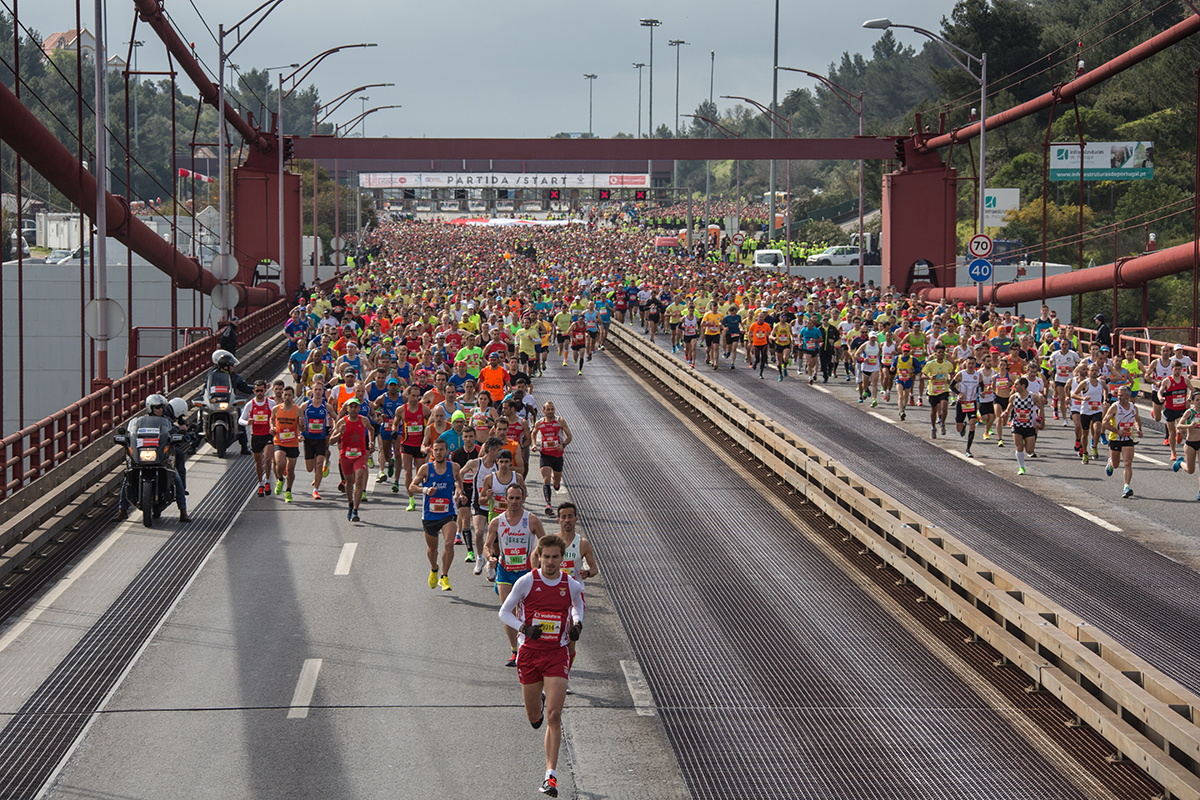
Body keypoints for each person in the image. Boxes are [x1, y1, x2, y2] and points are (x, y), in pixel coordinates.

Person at [498, 533, 584, 799]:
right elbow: (503, 612)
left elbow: (577, 609)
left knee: (554, 716)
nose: (549, 562)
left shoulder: (570, 585)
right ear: (538, 557)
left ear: (561, 559)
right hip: (529, 655)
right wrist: (524, 628)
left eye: (555, 557)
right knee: (535, 718)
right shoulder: (527, 581)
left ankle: (550, 777)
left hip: (556, 654)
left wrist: (577, 624)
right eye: (545, 557)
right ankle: (539, 706)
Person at [487, 483, 546, 666]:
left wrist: (536, 555)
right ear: (505, 499)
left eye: (517, 498)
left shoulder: (532, 520)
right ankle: (515, 650)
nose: (514, 502)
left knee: (527, 612)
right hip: (505, 572)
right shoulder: (497, 522)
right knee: (508, 610)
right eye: (511, 498)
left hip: (526, 573)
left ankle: (527, 646)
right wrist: (490, 557)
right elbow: (487, 545)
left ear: (523, 499)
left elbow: (544, 543)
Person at [409, 438, 466, 591]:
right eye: (436, 450)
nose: (439, 453)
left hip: (448, 512)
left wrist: (459, 493)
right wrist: (425, 490)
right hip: (429, 514)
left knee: (448, 544)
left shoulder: (454, 467)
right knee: (432, 549)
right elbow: (412, 486)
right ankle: (434, 568)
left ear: (447, 451)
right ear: (432, 451)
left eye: (442, 449)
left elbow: (459, 481)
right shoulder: (425, 469)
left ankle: (444, 576)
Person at [329, 397, 373, 521]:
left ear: (359, 408)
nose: (353, 409)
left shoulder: (363, 420)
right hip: (346, 456)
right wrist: (339, 434)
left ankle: (355, 510)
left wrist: (371, 442)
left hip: (360, 455)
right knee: (349, 482)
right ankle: (350, 503)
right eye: (351, 407)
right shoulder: (342, 422)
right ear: (347, 408)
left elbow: (371, 429)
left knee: (359, 479)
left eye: (355, 407)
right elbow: (331, 441)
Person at [1101, 385, 1141, 498]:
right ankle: (1110, 462)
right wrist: (1117, 431)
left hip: (1128, 439)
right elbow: (1104, 423)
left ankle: (1126, 487)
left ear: (1128, 396)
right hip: (1115, 438)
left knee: (1128, 462)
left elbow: (1137, 420)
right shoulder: (1115, 407)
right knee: (1116, 464)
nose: (1119, 397)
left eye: (1121, 396)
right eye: (1118, 395)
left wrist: (1139, 429)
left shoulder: (1133, 407)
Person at [533, 402, 572, 516]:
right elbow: (533, 433)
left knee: (556, 481)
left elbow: (569, 436)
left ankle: (556, 482)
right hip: (545, 455)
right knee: (546, 478)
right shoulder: (539, 423)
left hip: (557, 455)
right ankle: (548, 505)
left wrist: (563, 445)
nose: (550, 411)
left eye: (552, 409)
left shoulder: (560, 421)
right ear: (543, 410)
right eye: (548, 409)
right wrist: (534, 444)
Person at [239, 380, 277, 496]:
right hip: (256, 436)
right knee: (258, 462)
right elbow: (240, 419)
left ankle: (268, 481)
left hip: (268, 435)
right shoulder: (250, 404)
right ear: (254, 391)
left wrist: (274, 427)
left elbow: (277, 417)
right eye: (257, 390)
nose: (259, 393)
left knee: (268, 458)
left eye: (261, 390)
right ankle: (260, 483)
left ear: (265, 391)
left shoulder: (271, 403)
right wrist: (247, 423)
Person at [1157, 360, 1196, 463]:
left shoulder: (1185, 380)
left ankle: (1180, 433)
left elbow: (1192, 389)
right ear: (1172, 369)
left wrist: (1188, 400)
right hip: (1170, 409)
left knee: (1182, 430)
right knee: (1171, 432)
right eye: (1176, 369)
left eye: (1179, 369)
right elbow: (1160, 392)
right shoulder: (1167, 381)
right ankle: (1173, 452)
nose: (1178, 371)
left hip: (1181, 409)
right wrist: (1160, 398)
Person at [1000, 377, 1039, 475]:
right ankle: (1021, 467)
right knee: (1019, 447)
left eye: (1016, 384)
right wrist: (1005, 413)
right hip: (1017, 425)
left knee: (1029, 450)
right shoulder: (1013, 397)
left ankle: (1026, 442)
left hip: (1030, 426)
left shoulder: (1033, 397)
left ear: (1023, 386)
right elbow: (1009, 408)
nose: (1014, 386)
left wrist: (1040, 420)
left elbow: (1041, 408)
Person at [300, 381, 331, 499]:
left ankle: (316, 490)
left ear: (323, 391)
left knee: (319, 464)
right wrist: (299, 431)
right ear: (312, 391)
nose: (318, 392)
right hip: (308, 438)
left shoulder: (326, 406)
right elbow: (297, 418)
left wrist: (334, 427)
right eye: (316, 389)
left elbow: (336, 417)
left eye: (320, 389)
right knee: (310, 468)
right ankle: (315, 477)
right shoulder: (305, 406)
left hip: (321, 439)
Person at [271, 385, 301, 502]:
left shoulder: (297, 410)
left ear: (293, 396)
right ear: (282, 395)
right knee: (280, 463)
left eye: (289, 395)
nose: (287, 397)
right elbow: (272, 419)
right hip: (279, 441)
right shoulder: (276, 409)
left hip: (293, 443)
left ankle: (288, 491)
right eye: (285, 395)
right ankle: (280, 479)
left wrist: (300, 433)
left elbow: (300, 427)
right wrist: (272, 427)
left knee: (290, 470)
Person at [1170, 391, 1200, 500]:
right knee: (1191, 470)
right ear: (1192, 401)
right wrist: (1189, 426)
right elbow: (1179, 425)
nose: (1199, 402)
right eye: (1197, 400)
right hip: (1190, 443)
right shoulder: (1190, 412)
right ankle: (1180, 463)